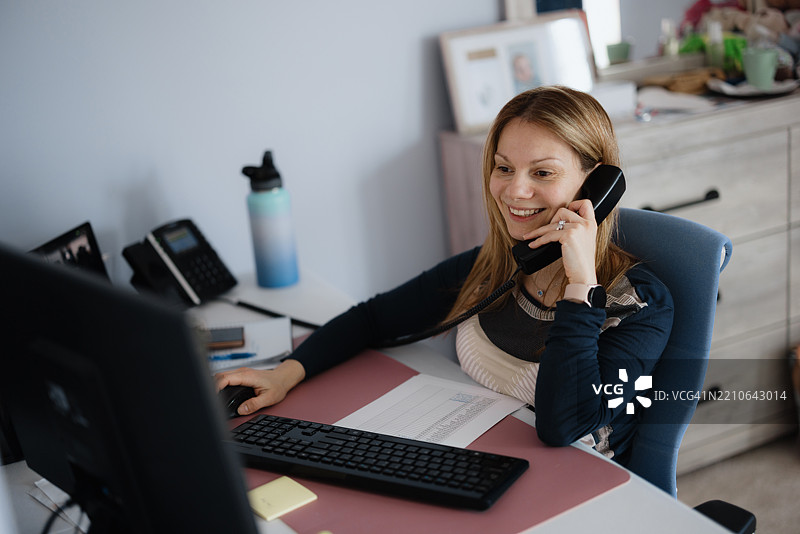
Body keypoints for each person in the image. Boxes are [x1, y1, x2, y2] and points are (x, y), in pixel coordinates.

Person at [215, 86, 674, 463]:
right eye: (504, 167)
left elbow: (562, 425)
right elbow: (374, 319)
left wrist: (579, 285)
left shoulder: (639, 304)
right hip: (480, 460)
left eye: (543, 172)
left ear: (596, 185)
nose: (515, 190)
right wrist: (286, 374)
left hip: (585, 493)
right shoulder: (493, 266)